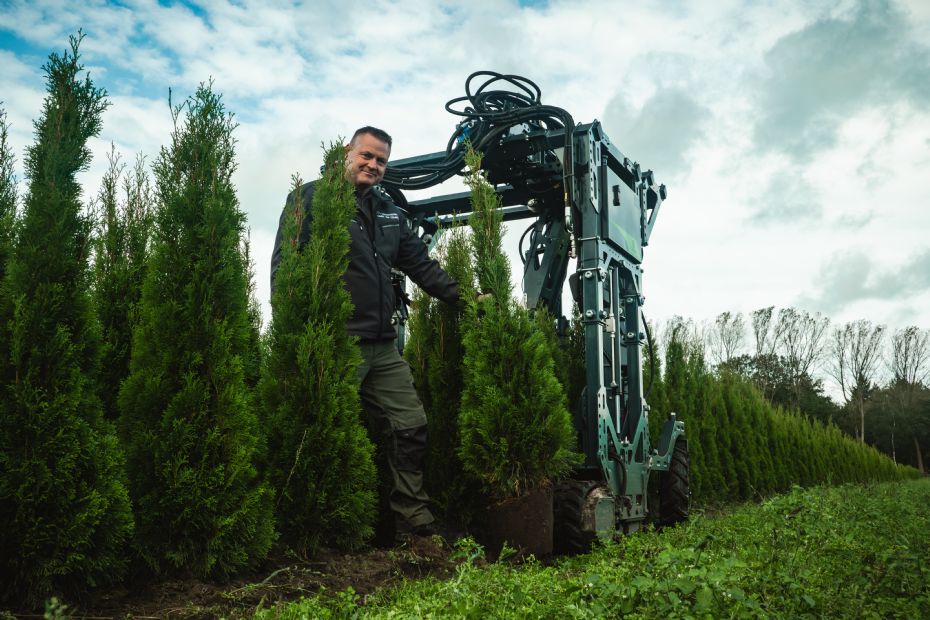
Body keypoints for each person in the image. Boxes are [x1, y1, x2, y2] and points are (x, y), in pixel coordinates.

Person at [270, 126, 465, 545]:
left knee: (410, 425)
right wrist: (292, 325)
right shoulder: (310, 199)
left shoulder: (389, 210)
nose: (373, 166)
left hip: (382, 344)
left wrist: (468, 298)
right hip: (337, 340)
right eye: (367, 156)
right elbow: (285, 266)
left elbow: (421, 266)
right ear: (348, 153)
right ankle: (320, 527)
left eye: (381, 161)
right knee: (327, 428)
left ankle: (412, 519)